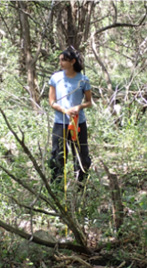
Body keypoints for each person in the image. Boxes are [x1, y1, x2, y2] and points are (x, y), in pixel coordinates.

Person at [48, 47, 92, 185]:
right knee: (58, 154)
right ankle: (57, 186)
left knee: (81, 154)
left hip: (78, 123)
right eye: (60, 60)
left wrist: (79, 107)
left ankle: (81, 185)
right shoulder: (55, 78)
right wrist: (64, 110)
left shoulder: (83, 80)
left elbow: (89, 102)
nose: (61, 63)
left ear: (73, 61)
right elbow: (51, 102)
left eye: (64, 60)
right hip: (60, 123)